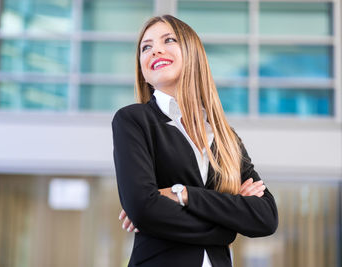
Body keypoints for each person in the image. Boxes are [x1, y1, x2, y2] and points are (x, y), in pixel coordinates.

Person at [111, 15, 278, 267]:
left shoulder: (225, 137)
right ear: (143, 71)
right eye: (146, 47)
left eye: (169, 40)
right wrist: (226, 227)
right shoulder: (133, 121)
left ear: (193, 56)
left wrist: (183, 194)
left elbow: (265, 217)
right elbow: (143, 209)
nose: (155, 49)